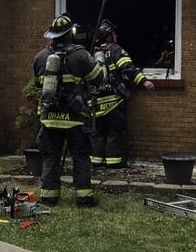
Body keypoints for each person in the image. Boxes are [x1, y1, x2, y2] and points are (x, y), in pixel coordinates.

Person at [33, 13, 104, 207]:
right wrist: (96, 61)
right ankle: (84, 198)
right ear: (69, 34)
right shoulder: (80, 55)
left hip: (49, 118)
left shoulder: (41, 57)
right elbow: (99, 79)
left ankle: (48, 197)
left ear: (53, 36)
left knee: (50, 157)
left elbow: (39, 84)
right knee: (81, 157)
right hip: (75, 118)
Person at [90, 19, 154, 169]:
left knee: (98, 132)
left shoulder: (92, 53)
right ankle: (114, 162)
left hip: (96, 101)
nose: (116, 35)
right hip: (113, 100)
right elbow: (128, 68)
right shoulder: (116, 49)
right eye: (114, 33)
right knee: (114, 131)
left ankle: (96, 162)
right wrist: (144, 81)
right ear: (108, 35)